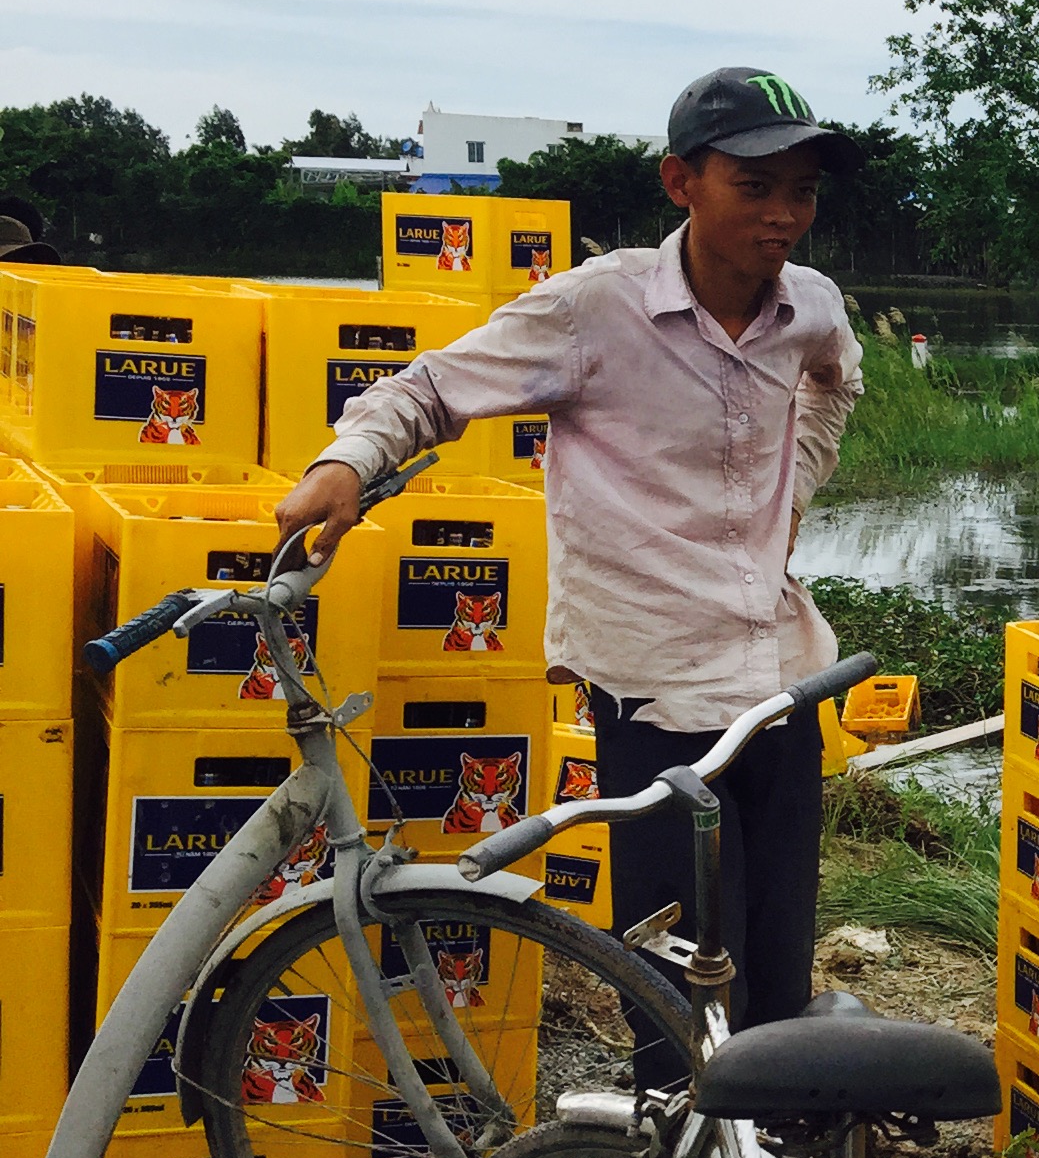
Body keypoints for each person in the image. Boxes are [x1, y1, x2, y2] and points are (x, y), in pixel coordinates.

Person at [273, 66, 867, 1083]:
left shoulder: (808, 306)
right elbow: (432, 390)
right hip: (652, 685)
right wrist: (346, 464)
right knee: (672, 973)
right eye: (754, 186)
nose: (784, 216)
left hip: (779, 677)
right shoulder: (596, 310)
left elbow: (836, 385)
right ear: (682, 181)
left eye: (803, 192)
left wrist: (796, 484)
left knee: (776, 952)